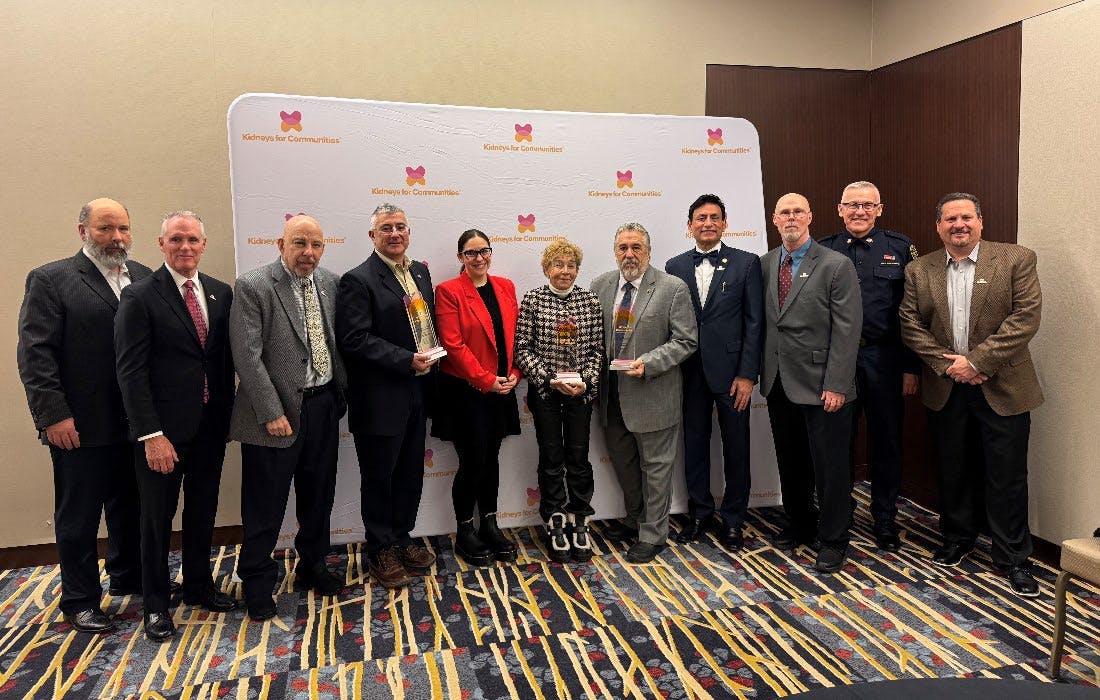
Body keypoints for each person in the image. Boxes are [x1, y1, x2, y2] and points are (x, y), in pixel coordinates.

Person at [16, 198, 150, 634]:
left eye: (123, 229)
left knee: (131, 507)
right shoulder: (52, 279)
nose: (116, 238)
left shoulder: (146, 277)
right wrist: (52, 415)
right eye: (105, 229)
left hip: (137, 423)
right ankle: (79, 600)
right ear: (83, 232)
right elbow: (36, 355)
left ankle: (128, 576)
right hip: (80, 425)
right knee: (79, 516)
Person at [899, 192, 1043, 597]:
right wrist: (949, 366)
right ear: (939, 226)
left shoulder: (1016, 259)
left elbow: (1025, 318)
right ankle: (957, 539)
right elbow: (909, 324)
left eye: (966, 217)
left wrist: (976, 362)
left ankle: (1013, 556)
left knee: (1007, 474)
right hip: (946, 387)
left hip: (1004, 386)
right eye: (950, 219)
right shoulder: (918, 269)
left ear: (981, 221)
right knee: (953, 468)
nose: (958, 225)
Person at [115, 210, 237, 642]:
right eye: (177, 239)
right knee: (156, 521)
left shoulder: (221, 293)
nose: (185, 247)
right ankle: (155, 607)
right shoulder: (140, 296)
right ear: (161, 244)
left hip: (209, 429)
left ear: (204, 245)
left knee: (203, 511)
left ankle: (199, 586)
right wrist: (151, 435)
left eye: (193, 240)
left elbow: (221, 362)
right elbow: (130, 373)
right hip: (162, 435)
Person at [229, 215, 348, 620]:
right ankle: (257, 581)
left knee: (319, 495)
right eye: (299, 243)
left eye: (316, 244)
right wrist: (271, 411)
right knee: (265, 504)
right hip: (275, 415)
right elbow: (247, 355)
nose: (308, 253)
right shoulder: (254, 285)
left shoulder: (330, 282)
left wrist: (337, 397)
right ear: (280, 244)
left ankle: (313, 565)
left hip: (322, 406)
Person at [336, 204, 438, 589]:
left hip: (418, 390)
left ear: (408, 232)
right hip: (380, 398)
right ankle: (380, 548)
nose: (394, 233)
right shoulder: (358, 280)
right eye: (386, 228)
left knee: (411, 472)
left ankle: (402, 537)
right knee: (380, 477)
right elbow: (354, 339)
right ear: (372, 236)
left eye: (400, 227)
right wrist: (405, 359)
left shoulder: (419, 272)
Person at [760, 193, 861, 573]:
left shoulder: (836, 265)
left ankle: (834, 538)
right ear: (775, 219)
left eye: (797, 211)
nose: (791, 217)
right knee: (791, 461)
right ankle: (800, 524)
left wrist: (837, 383)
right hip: (779, 382)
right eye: (784, 212)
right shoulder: (767, 263)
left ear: (810, 217)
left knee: (831, 467)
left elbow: (848, 331)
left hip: (824, 386)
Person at [818, 181, 921, 552]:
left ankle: (884, 517)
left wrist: (912, 367)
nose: (859, 211)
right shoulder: (824, 250)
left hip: (885, 358)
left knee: (887, 441)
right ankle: (839, 515)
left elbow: (912, 312)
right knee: (837, 441)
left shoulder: (900, 248)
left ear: (879, 209)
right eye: (852, 205)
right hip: (837, 361)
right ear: (839, 209)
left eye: (867, 205)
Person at [590, 223, 697, 563]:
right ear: (615, 250)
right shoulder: (601, 285)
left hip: (652, 394)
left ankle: (653, 535)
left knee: (656, 469)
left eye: (636, 247)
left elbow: (686, 340)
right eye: (623, 247)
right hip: (611, 398)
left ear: (649, 252)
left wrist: (648, 362)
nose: (629, 254)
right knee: (624, 464)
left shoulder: (672, 288)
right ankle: (634, 519)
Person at [665, 194, 763, 551]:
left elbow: (755, 324)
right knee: (694, 447)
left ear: (725, 223)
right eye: (700, 218)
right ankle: (700, 513)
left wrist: (748, 374)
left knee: (737, 448)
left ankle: (734, 519)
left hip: (733, 376)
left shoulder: (746, 264)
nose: (707, 223)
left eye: (714, 217)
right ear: (689, 225)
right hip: (689, 374)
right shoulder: (674, 266)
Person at [432, 230, 522, 566]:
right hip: (466, 393)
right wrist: (486, 381)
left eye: (484, 251)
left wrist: (516, 374)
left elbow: (516, 337)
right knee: (473, 460)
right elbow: (453, 346)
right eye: (471, 253)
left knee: (492, 458)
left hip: (502, 387)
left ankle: (490, 522)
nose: (479, 258)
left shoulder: (506, 287)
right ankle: (465, 530)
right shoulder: (448, 291)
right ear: (460, 258)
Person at [514, 240, 604, 563]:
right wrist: (551, 378)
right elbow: (522, 349)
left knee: (578, 458)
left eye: (570, 265)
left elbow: (597, 350)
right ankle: (555, 520)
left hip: (580, 395)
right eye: (558, 265)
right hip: (546, 394)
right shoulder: (533, 300)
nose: (564, 271)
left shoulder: (590, 301)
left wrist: (585, 381)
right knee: (552, 458)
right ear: (546, 268)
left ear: (577, 269)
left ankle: (580, 519)